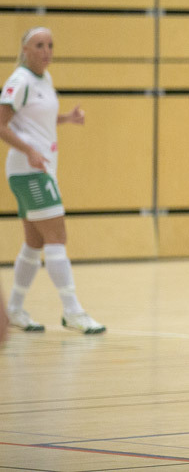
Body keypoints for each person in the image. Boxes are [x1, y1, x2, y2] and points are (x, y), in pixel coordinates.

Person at [1, 27, 105, 335]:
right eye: (39, 45)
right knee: (57, 237)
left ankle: (14, 309)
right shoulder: (20, 81)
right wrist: (30, 151)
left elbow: (36, 119)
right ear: (24, 50)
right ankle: (73, 311)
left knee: (34, 243)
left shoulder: (44, 79)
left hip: (39, 169)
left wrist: (66, 118)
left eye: (50, 45)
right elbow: (1, 123)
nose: (46, 51)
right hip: (30, 170)